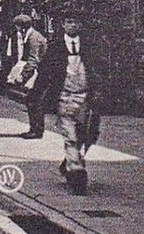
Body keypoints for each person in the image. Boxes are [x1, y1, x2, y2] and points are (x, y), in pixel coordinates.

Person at [38, 17, 102, 194]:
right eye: (69, 22)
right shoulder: (56, 47)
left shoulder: (88, 46)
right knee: (70, 135)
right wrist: (38, 94)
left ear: (80, 25)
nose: (72, 25)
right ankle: (77, 172)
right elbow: (44, 71)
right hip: (64, 97)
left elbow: (98, 68)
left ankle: (69, 161)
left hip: (85, 98)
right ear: (63, 25)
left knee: (85, 134)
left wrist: (99, 91)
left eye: (76, 22)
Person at [14, 13, 49, 138]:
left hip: (43, 73)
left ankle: (36, 131)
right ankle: (35, 129)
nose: (16, 29)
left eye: (17, 26)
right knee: (32, 100)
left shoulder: (33, 38)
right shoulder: (31, 35)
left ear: (22, 26)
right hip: (41, 72)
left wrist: (23, 76)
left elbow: (33, 59)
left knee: (34, 100)